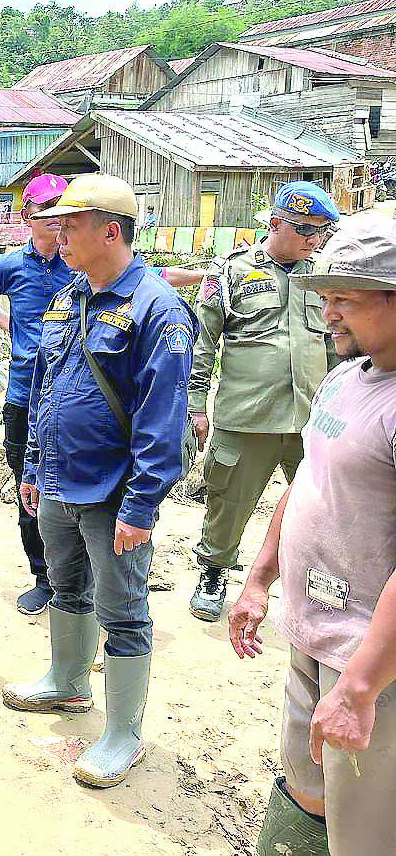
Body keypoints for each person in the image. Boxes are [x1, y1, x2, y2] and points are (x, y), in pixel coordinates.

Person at [6, 174, 197, 788]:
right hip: (59, 479)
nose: (56, 232)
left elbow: (161, 420)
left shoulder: (157, 308)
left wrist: (140, 507)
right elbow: (46, 387)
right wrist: (34, 467)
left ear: (109, 230)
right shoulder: (70, 297)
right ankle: (67, 680)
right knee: (65, 585)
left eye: (69, 223)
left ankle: (123, 733)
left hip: (114, 491)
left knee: (123, 610)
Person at [228, 217, 396, 856]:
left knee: (367, 828)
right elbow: (307, 484)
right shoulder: (346, 379)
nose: (327, 315)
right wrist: (260, 577)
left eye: (345, 299)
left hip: (371, 661)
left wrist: (359, 687)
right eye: (323, 298)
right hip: (313, 630)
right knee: (309, 785)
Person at [185, 182, 336, 623]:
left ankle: (310, 586)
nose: (314, 239)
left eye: (321, 231)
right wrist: (196, 406)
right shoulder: (229, 271)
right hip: (247, 415)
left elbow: (340, 346)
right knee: (228, 502)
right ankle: (214, 572)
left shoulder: (324, 274)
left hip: (312, 419)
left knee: (319, 509)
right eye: (306, 229)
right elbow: (202, 344)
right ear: (274, 223)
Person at [0, 173, 74, 615]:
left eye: (63, 211)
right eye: (46, 211)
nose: (56, 220)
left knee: (74, 485)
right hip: (25, 392)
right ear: (27, 215)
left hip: (74, 395)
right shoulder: (11, 266)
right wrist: (12, 325)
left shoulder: (82, 262)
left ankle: (77, 577)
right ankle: (43, 575)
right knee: (28, 487)